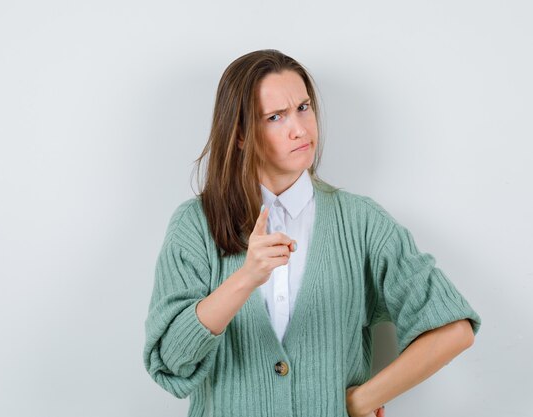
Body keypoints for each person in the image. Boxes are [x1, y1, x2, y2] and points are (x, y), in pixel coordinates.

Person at [143, 49, 481, 417]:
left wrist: (362, 399)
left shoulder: (361, 222)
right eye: (275, 117)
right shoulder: (195, 225)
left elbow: (454, 329)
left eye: (303, 108)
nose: (300, 129)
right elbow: (170, 363)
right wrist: (245, 278)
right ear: (240, 135)